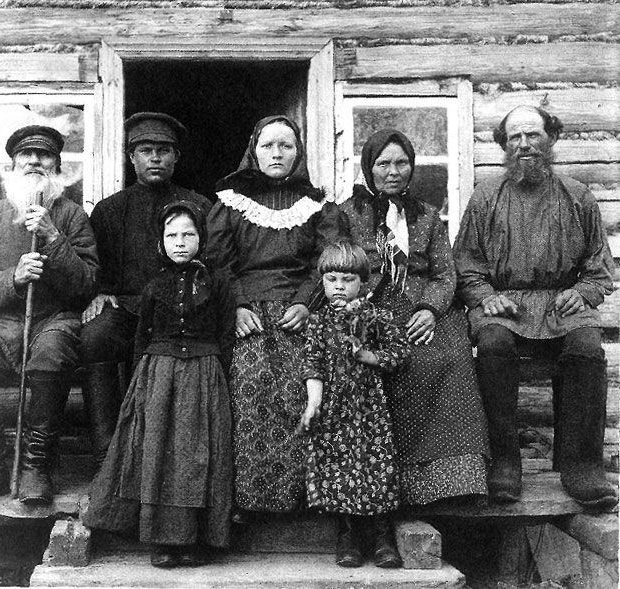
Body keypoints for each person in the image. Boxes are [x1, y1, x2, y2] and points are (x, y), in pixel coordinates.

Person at [453, 106, 617, 509]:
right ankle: (504, 461)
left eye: (533, 135)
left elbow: (598, 267)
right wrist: (486, 296)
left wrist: (584, 292)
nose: (524, 145)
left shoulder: (577, 196)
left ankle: (581, 466)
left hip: (562, 303)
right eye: (515, 137)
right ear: (504, 145)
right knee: (492, 344)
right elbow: (467, 263)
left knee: (586, 348)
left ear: (551, 138)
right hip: (505, 303)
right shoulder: (486, 197)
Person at [206, 115, 348, 516]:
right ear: (254, 151)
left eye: (286, 146)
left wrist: (307, 302)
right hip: (246, 314)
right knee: (248, 386)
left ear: (298, 153)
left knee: (303, 388)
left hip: (300, 312)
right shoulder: (230, 204)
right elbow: (217, 263)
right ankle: (249, 500)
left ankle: (301, 499)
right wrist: (236, 305)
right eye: (268, 145)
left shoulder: (318, 206)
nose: (277, 153)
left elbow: (329, 262)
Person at [0, 125, 98, 506]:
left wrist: (53, 238)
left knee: (52, 354)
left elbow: (86, 285)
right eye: (25, 156)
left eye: (43, 155)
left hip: (53, 319)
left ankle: (36, 465)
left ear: (56, 166)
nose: (34, 161)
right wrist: (13, 278)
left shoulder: (72, 216)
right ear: (13, 166)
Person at [340, 129, 489, 506]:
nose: (393, 172)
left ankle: (455, 482)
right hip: (373, 305)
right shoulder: (346, 214)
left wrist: (429, 309)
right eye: (383, 164)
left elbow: (445, 273)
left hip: (424, 306)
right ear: (368, 167)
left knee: (451, 357)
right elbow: (339, 266)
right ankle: (394, 484)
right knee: (395, 362)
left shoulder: (426, 215)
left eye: (401, 163)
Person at [83, 200, 234, 568]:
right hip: (160, 374)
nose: (179, 242)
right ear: (161, 242)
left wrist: (219, 375)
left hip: (202, 374)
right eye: (171, 235)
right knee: (158, 454)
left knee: (196, 455)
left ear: (201, 239)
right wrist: (141, 381)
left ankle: (194, 539)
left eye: (188, 234)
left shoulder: (217, 284)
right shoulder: (154, 286)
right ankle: (162, 540)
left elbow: (226, 333)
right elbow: (142, 336)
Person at [80, 112, 212, 471]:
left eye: (164, 151)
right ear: (131, 157)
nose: (155, 158)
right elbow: (97, 264)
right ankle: (106, 454)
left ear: (176, 157)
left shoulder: (199, 206)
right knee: (95, 338)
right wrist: (100, 291)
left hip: (183, 308)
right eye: (146, 150)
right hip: (129, 308)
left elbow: (213, 262)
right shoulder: (110, 210)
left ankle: (173, 456)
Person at [299, 241, 408, 568]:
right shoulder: (318, 322)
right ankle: (348, 536)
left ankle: (382, 536)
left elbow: (399, 352)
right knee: (339, 469)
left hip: (369, 408)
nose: (339, 287)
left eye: (347, 280)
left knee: (376, 467)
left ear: (362, 282)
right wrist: (313, 403)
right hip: (335, 408)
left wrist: (370, 356)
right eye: (331, 280)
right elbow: (313, 364)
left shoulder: (376, 317)